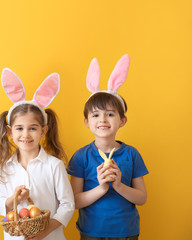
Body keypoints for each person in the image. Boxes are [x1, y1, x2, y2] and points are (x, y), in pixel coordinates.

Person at [68, 54, 148, 240]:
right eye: (96, 115)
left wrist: (119, 185)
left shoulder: (131, 154)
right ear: (87, 122)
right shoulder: (81, 157)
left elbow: (142, 198)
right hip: (91, 233)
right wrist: (102, 188)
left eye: (110, 114)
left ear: (122, 120)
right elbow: (74, 201)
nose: (103, 120)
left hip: (127, 232)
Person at [0, 68, 75, 240]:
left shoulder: (54, 165)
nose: (25, 135)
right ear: (9, 131)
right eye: (19, 128)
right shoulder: (5, 167)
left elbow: (67, 205)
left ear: (43, 131)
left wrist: (44, 232)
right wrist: (13, 198)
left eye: (32, 128)